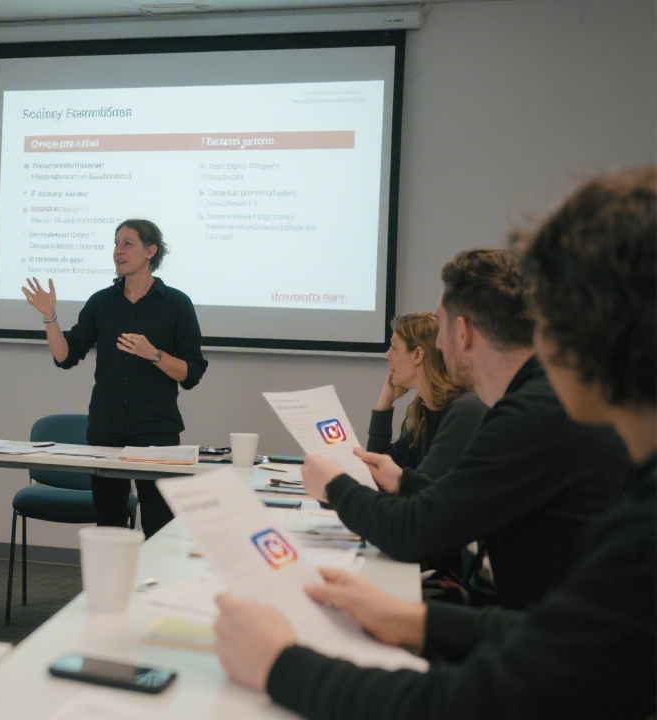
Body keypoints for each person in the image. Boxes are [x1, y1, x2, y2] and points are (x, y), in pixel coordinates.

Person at [211, 166, 655, 720]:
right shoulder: (628, 466)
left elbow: (478, 698)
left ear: (604, 326)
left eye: (556, 314)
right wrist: (412, 619)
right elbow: (564, 635)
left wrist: (279, 663)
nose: (541, 335)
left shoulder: (542, 417)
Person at [300, 248, 628, 609]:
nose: (438, 344)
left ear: (462, 331)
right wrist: (404, 481)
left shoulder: (526, 417)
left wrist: (336, 486)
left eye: (440, 328)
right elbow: (457, 504)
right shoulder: (544, 398)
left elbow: (415, 533)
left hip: (550, 648)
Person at [23, 219, 208, 537]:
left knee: (160, 528)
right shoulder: (101, 302)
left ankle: (155, 588)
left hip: (156, 431)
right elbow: (66, 356)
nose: (118, 251)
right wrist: (50, 317)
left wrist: (154, 354)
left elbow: (192, 373)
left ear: (150, 251)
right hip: (106, 430)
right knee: (109, 526)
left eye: (128, 243)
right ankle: (112, 586)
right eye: (115, 243)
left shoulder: (176, 303)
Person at [367, 312, 486, 482]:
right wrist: (384, 404)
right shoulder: (424, 409)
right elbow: (378, 472)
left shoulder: (465, 410)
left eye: (394, 348)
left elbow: (423, 489)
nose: (388, 355)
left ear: (417, 355)